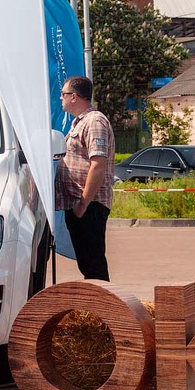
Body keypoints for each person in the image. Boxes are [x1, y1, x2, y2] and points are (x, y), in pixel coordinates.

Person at [55, 75, 115, 281]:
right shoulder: (79, 122)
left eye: (63, 94)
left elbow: (98, 165)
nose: (60, 98)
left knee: (94, 264)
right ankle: (96, 299)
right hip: (78, 204)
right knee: (87, 263)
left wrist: (83, 203)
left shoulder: (94, 121)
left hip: (90, 205)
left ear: (74, 97)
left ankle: (102, 300)